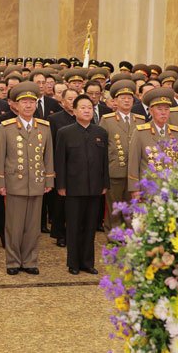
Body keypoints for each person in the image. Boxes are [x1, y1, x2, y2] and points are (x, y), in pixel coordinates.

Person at [0, 81, 54, 276]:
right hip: (14, 183)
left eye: (32, 102)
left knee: (33, 227)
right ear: (15, 105)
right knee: (14, 226)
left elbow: (48, 156)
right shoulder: (6, 127)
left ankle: (30, 260)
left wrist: (49, 180)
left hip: (36, 183)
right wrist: (0, 182)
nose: (28, 105)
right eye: (24, 102)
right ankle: (12, 261)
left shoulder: (44, 127)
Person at [55, 94, 109, 275]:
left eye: (90, 108)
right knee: (73, 226)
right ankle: (73, 263)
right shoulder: (65, 132)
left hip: (94, 188)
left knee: (90, 226)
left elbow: (104, 161)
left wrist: (105, 184)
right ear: (75, 110)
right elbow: (60, 161)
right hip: (73, 188)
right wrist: (60, 185)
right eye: (83, 107)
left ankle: (87, 262)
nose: (87, 110)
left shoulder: (100, 133)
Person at [99, 80, 145, 231]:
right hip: (115, 170)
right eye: (122, 98)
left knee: (131, 206)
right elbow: (102, 147)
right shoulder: (107, 120)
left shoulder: (140, 120)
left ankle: (129, 235)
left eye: (129, 98)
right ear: (115, 101)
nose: (126, 101)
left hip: (135, 172)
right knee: (114, 207)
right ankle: (114, 236)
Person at [128, 88, 178, 199]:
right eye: (159, 109)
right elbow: (134, 162)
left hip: (172, 188)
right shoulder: (140, 132)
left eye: (167, 109)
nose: (163, 112)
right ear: (151, 111)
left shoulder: (177, 132)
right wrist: (134, 189)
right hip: (149, 189)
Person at [46, 88, 78, 246]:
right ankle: (59, 233)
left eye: (75, 99)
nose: (72, 102)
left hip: (78, 167)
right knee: (60, 202)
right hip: (60, 165)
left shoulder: (83, 117)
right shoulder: (54, 119)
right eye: (70, 99)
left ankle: (73, 232)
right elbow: (50, 144)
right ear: (62, 101)